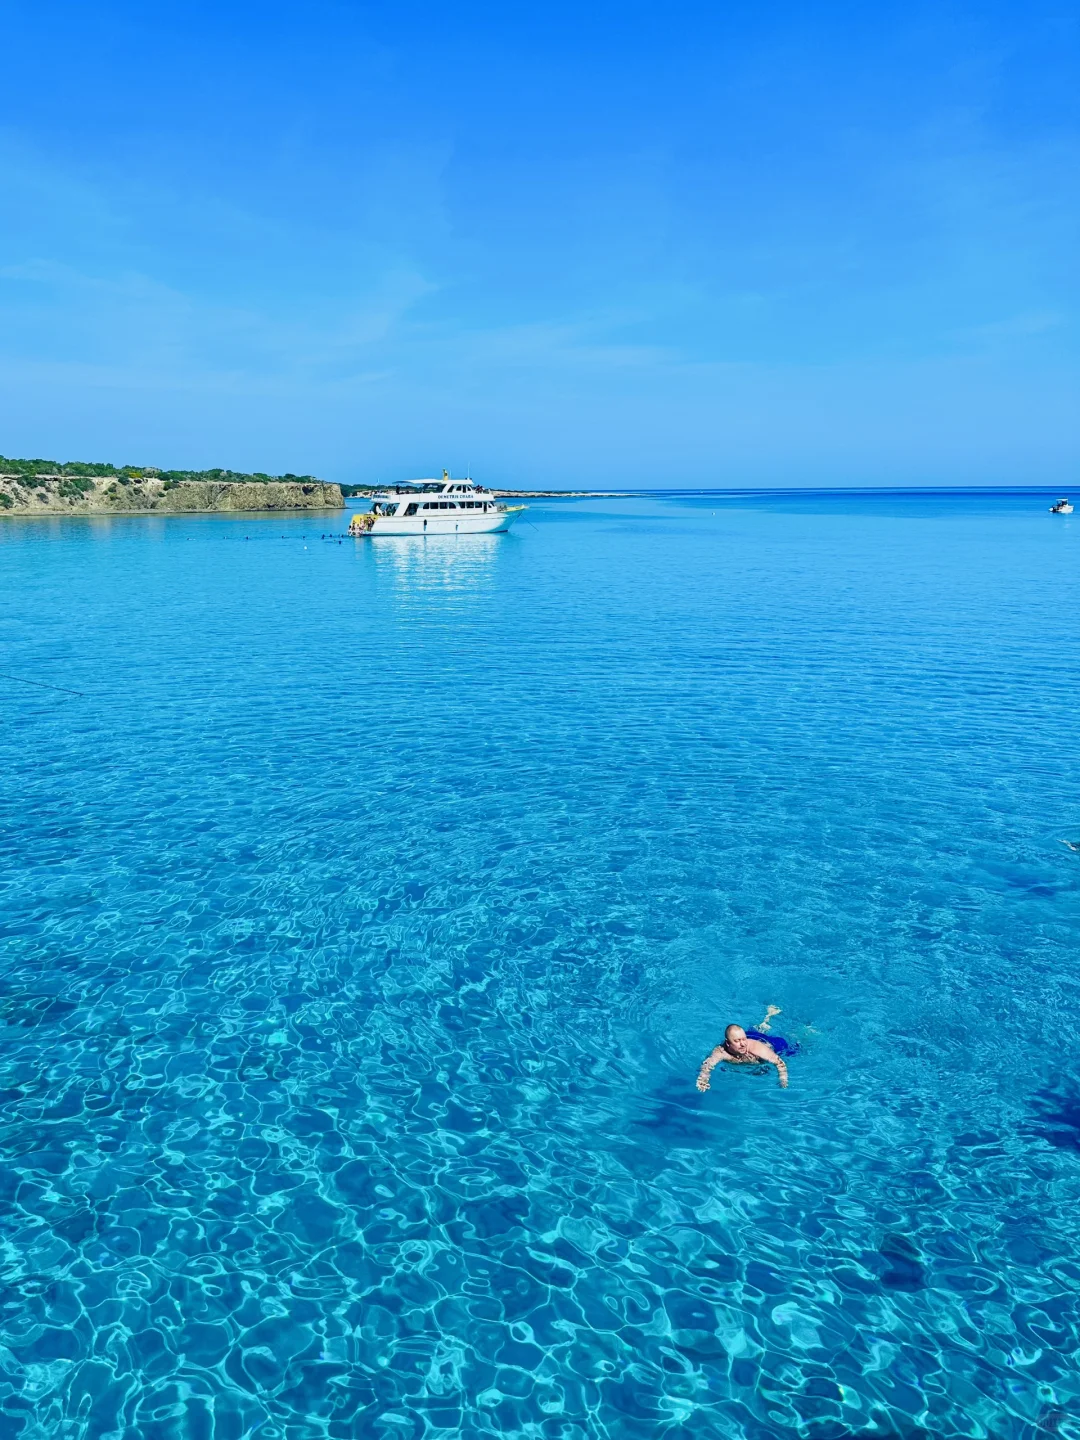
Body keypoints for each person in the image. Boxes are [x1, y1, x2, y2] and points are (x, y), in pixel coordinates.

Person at [696, 1006, 791, 1090]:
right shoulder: (721, 1051)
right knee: (756, 1030)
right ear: (728, 1043)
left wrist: (783, 1079)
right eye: (737, 1041)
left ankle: (769, 1016)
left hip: (768, 1043)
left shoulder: (756, 1048)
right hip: (747, 1036)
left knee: (792, 1049)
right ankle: (764, 1022)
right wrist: (703, 1080)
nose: (743, 1044)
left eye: (743, 1040)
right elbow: (707, 1065)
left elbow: (779, 1062)